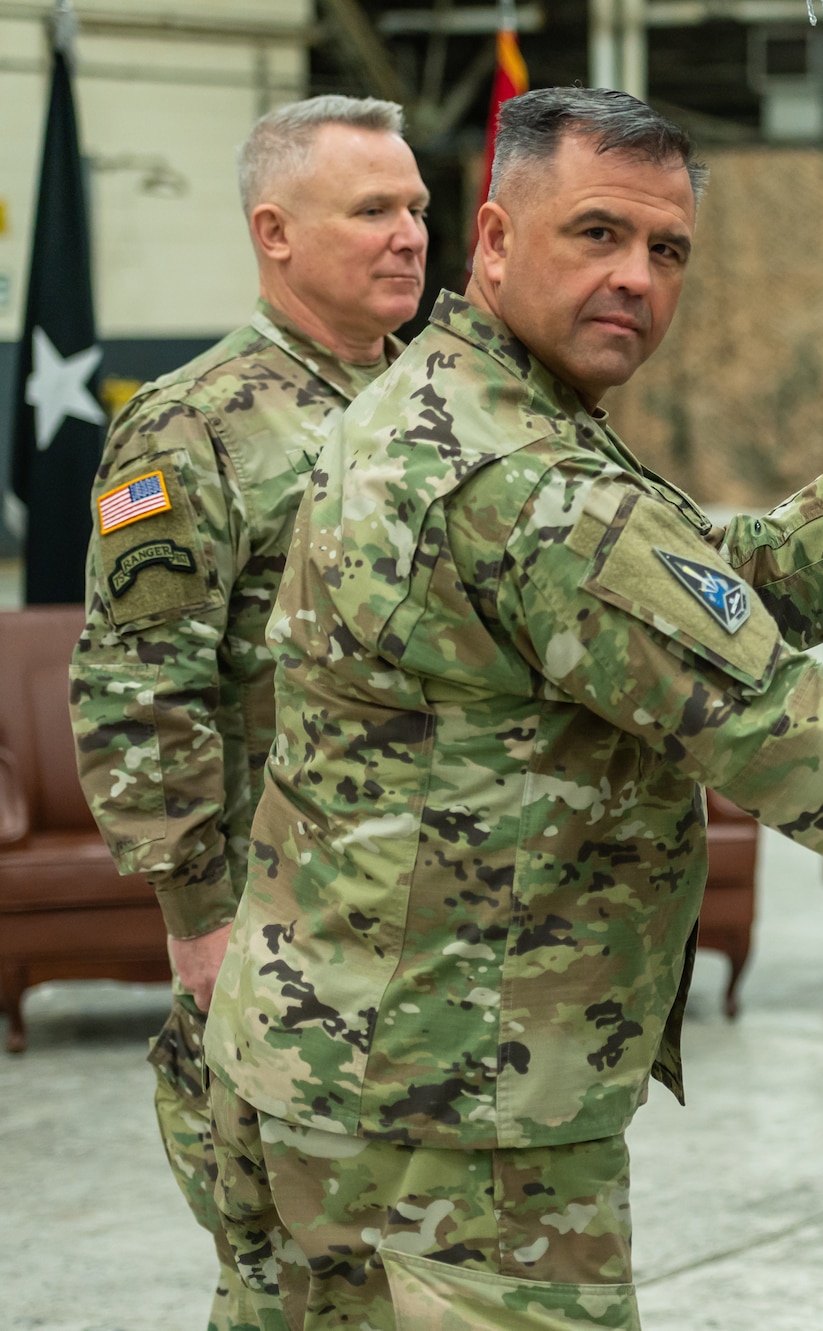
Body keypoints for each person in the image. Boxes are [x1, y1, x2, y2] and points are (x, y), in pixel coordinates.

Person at [196, 87, 823, 1329]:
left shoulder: (456, 411)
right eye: (596, 234)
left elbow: (694, 590)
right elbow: (790, 731)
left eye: (665, 249)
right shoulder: (523, 479)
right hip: (455, 1127)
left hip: (333, 1066)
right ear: (495, 239)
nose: (634, 276)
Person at [67, 94, 429, 1330]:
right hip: (284, 937)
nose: (409, 235)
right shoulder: (193, 424)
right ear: (274, 231)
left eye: (418, 208)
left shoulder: (447, 403)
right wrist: (196, 913)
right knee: (296, 1281)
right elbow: (137, 683)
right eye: (372, 209)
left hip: (437, 930)